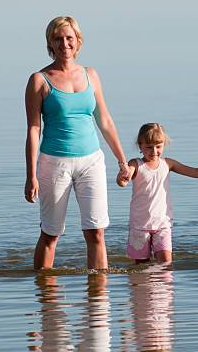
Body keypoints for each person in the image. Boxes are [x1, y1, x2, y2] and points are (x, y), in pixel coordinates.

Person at [24, 16, 130, 270]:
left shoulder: (91, 75)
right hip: (54, 163)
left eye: (69, 38)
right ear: (50, 43)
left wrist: (122, 160)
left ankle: (98, 301)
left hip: (91, 161)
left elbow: (104, 120)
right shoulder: (39, 80)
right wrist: (31, 175)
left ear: (78, 41)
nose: (64, 44)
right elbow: (33, 129)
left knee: (96, 233)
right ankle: (45, 297)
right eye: (58, 39)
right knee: (51, 234)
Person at [117, 123, 198, 264]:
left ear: (164, 144)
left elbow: (196, 173)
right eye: (149, 147)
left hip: (163, 223)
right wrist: (123, 178)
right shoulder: (136, 164)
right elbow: (124, 179)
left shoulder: (168, 164)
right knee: (141, 266)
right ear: (140, 145)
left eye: (158, 146)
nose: (154, 151)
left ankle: (163, 287)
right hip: (140, 225)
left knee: (166, 262)